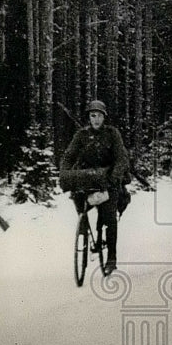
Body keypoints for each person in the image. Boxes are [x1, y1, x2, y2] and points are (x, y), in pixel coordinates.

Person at [59, 99, 129, 274]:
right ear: (89, 118)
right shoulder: (81, 135)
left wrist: (114, 177)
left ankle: (111, 258)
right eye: (92, 116)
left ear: (104, 117)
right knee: (79, 203)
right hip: (88, 180)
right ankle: (84, 231)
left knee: (109, 218)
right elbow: (69, 155)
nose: (96, 119)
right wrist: (65, 172)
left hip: (108, 182)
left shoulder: (112, 134)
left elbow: (121, 158)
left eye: (99, 116)